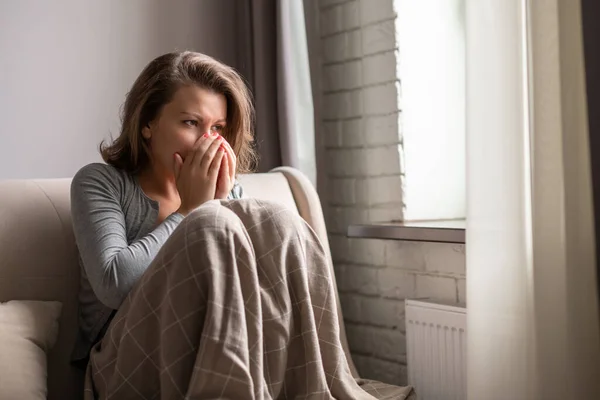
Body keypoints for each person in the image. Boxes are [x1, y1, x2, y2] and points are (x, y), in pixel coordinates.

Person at [71, 51, 413, 399]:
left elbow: (252, 297)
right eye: (190, 123)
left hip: (215, 352)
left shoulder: (229, 191)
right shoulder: (100, 183)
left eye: (217, 128)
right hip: (121, 366)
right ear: (148, 122)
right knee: (213, 222)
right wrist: (191, 210)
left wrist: (218, 204)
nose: (209, 141)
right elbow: (113, 283)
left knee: (278, 219)